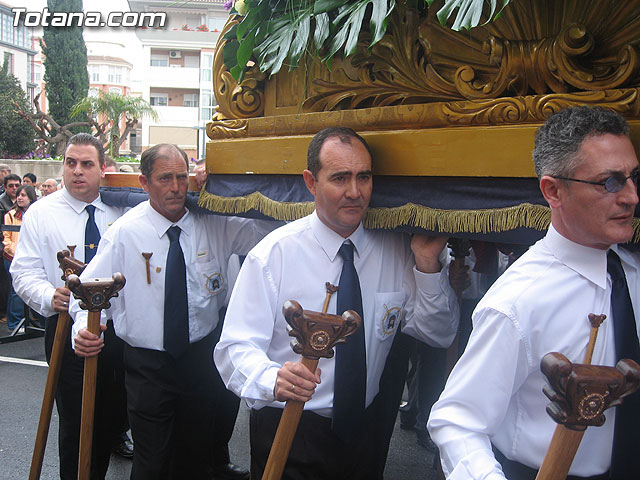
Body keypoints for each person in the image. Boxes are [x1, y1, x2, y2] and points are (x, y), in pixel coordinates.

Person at [214, 127, 460, 479]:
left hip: (366, 433)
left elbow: (438, 333)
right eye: (340, 178)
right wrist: (273, 378)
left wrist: (426, 263)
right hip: (290, 427)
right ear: (311, 182)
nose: (354, 192)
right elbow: (233, 349)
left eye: (364, 177)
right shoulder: (273, 255)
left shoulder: (396, 251)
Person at [427, 106, 640, 480]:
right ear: (553, 191)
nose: (631, 196)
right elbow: (457, 421)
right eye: (610, 182)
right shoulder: (518, 302)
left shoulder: (630, 272)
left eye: (633, 177)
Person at [71, 143, 274, 480]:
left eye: (182, 177)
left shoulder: (214, 223)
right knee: (152, 460)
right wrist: (83, 328)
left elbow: (268, 234)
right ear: (144, 182)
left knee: (195, 455)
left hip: (199, 359)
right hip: (148, 366)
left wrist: (229, 186)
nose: (177, 187)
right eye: (165, 178)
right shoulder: (125, 232)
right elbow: (91, 289)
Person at [11, 133, 128, 480]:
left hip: (118, 330)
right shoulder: (41, 214)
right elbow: (24, 271)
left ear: (103, 168)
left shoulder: (122, 208)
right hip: (65, 329)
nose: (77, 171)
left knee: (110, 419)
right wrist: (50, 296)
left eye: (87, 164)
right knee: (77, 423)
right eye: (70, 163)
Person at [3, 184, 37, 333]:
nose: (20, 198)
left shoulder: (36, 214)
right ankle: (14, 322)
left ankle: (33, 320)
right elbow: (6, 238)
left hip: (31, 257)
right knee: (15, 290)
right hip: (12, 256)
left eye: (23, 195)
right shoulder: (10, 215)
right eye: (18, 195)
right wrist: (17, 252)